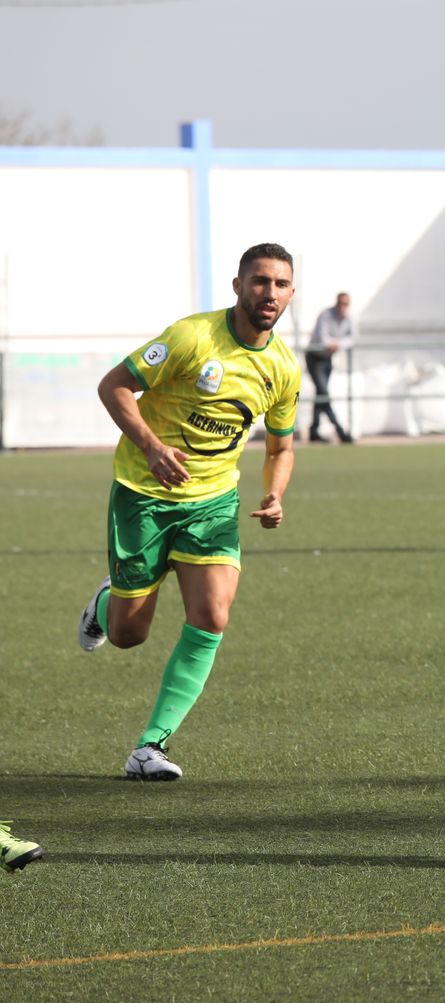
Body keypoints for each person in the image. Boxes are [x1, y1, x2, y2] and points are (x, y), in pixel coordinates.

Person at [76, 243, 303, 780]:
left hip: (213, 505)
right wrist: (153, 448)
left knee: (213, 617)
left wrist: (275, 494)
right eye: (259, 281)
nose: (268, 293)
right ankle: (107, 603)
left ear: (292, 294)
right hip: (144, 496)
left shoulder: (283, 368)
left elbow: (281, 447)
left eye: (280, 284)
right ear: (238, 285)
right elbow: (114, 386)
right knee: (131, 634)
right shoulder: (190, 337)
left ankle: (149, 747)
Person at [305, 291, 355, 443]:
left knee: (321, 394)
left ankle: (314, 431)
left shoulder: (349, 319)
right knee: (324, 394)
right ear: (336, 303)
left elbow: (352, 338)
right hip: (315, 357)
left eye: (346, 304)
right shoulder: (326, 315)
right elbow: (322, 337)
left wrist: (337, 344)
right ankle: (340, 431)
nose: (343, 307)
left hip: (327, 359)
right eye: (341, 304)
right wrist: (333, 344)